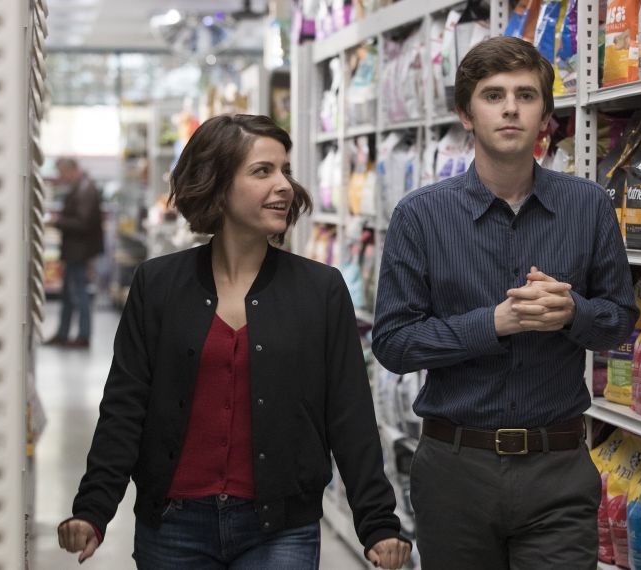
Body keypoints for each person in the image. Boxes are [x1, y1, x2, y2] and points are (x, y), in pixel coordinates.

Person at [58, 114, 411, 569]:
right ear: (217, 184)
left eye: (285, 170)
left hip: (281, 528)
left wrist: (377, 522)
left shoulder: (320, 289)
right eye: (263, 171)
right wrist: (94, 508)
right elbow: (126, 405)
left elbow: (349, 412)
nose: (284, 185)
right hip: (173, 524)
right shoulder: (158, 284)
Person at [372, 37, 638, 569]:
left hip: (557, 466)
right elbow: (394, 343)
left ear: (545, 116)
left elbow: (620, 323)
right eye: (493, 95)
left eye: (526, 95)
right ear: (466, 115)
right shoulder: (420, 216)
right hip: (454, 467)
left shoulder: (587, 206)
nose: (511, 107)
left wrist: (573, 314)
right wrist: (493, 323)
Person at [46, 157, 105, 349]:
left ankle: (83, 336)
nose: (60, 178)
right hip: (75, 250)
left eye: (61, 173)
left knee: (79, 294)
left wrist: (57, 222)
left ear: (71, 170)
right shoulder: (81, 186)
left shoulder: (85, 189)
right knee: (68, 294)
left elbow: (83, 222)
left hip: (79, 251)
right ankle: (63, 334)